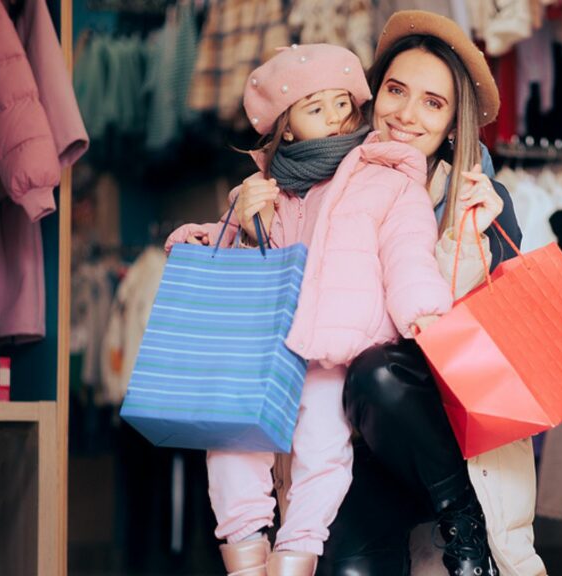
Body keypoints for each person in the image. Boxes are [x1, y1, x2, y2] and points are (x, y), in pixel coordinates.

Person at [164, 44, 453, 576]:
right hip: (265, 350)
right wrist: (233, 229)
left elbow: (408, 252)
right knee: (230, 444)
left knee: (323, 451)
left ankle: (296, 556)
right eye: (316, 107)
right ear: (288, 127)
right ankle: (246, 557)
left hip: (332, 351)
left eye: (343, 103)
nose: (337, 118)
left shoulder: (385, 175)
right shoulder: (266, 191)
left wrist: (424, 313)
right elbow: (238, 266)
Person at [314, 11, 548, 576]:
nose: (406, 114)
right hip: (356, 450)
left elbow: (478, 344)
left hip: (449, 438)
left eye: (432, 103)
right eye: (396, 90)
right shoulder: (329, 183)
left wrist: (479, 234)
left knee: (379, 370)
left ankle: (466, 525)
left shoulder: (479, 199)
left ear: (451, 124)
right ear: (373, 96)